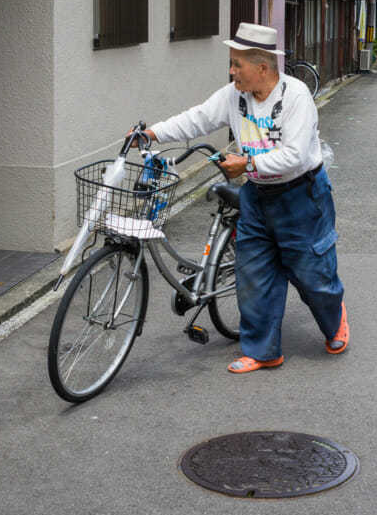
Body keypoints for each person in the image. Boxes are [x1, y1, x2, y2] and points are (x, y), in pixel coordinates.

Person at [143, 22, 349, 374]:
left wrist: (248, 162)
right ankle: (263, 350)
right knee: (254, 274)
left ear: (262, 68)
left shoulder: (295, 97)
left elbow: (296, 155)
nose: (231, 70)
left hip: (301, 196)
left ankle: (335, 319)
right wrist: (152, 133)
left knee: (313, 276)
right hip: (257, 195)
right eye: (232, 63)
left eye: (237, 64)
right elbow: (198, 119)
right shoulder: (234, 96)